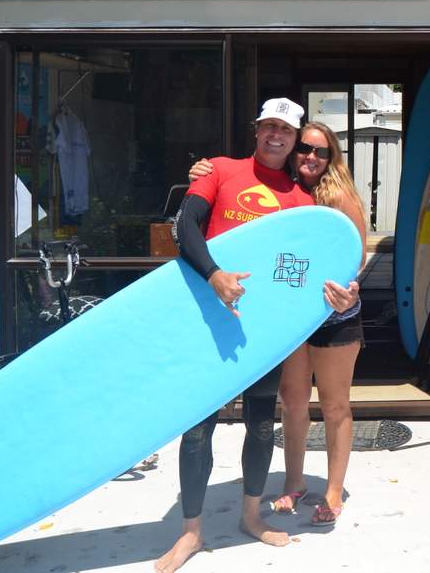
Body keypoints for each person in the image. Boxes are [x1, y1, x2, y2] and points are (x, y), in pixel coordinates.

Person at [155, 99, 358, 573]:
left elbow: (308, 270)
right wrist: (214, 276)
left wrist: (340, 293)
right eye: (269, 126)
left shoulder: (300, 198)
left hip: (263, 333)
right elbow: (184, 228)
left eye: (285, 130)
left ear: (292, 139)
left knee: (262, 423)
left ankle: (251, 516)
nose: (276, 136)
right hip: (209, 320)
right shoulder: (219, 170)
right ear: (257, 130)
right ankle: (190, 533)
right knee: (198, 428)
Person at [189, 120, 366, 528]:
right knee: (293, 401)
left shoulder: (338, 195)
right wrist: (203, 171)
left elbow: (355, 255)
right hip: (294, 314)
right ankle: (295, 481)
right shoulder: (286, 189)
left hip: (335, 313)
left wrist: (351, 291)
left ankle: (334, 490)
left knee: (335, 404)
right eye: (305, 148)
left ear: (332, 157)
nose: (311, 157)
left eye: (321, 152)